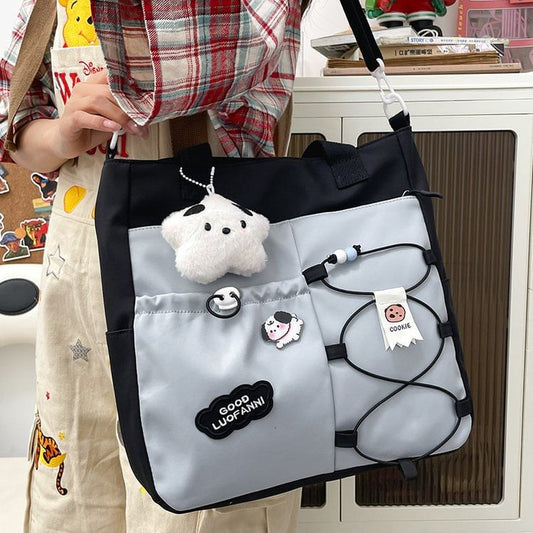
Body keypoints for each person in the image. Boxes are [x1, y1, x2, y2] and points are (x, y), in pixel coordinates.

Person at [0, 0, 309, 531]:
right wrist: (61, 133)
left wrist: (119, 97)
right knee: (80, 470)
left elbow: (223, 62)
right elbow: (17, 122)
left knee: (199, 488)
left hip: (206, 257)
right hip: (82, 266)